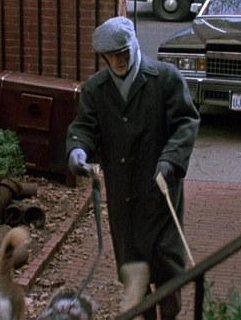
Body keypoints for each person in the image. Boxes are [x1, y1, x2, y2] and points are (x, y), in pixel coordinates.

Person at [65, 16, 200, 320]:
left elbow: (186, 122)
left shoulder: (165, 79)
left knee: (168, 272)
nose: (117, 61)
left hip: (159, 192)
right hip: (123, 196)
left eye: (122, 53)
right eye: (109, 56)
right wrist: (77, 150)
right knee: (135, 276)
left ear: (134, 46)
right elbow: (84, 127)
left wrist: (170, 159)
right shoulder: (95, 89)